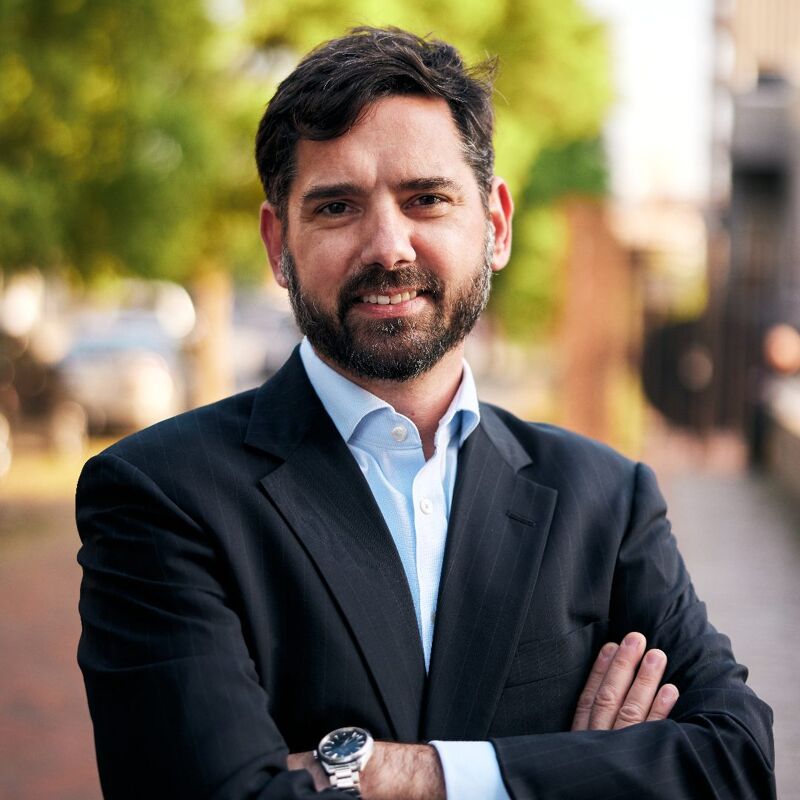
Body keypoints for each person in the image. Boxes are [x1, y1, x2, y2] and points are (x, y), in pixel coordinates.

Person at [76, 26, 775, 800]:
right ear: (279, 244)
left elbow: (735, 761)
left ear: (496, 225)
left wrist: (398, 773)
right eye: (338, 206)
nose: (389, 246)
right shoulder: (160, 496)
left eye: (427, 199)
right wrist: (575, 771)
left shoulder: (606, 501)